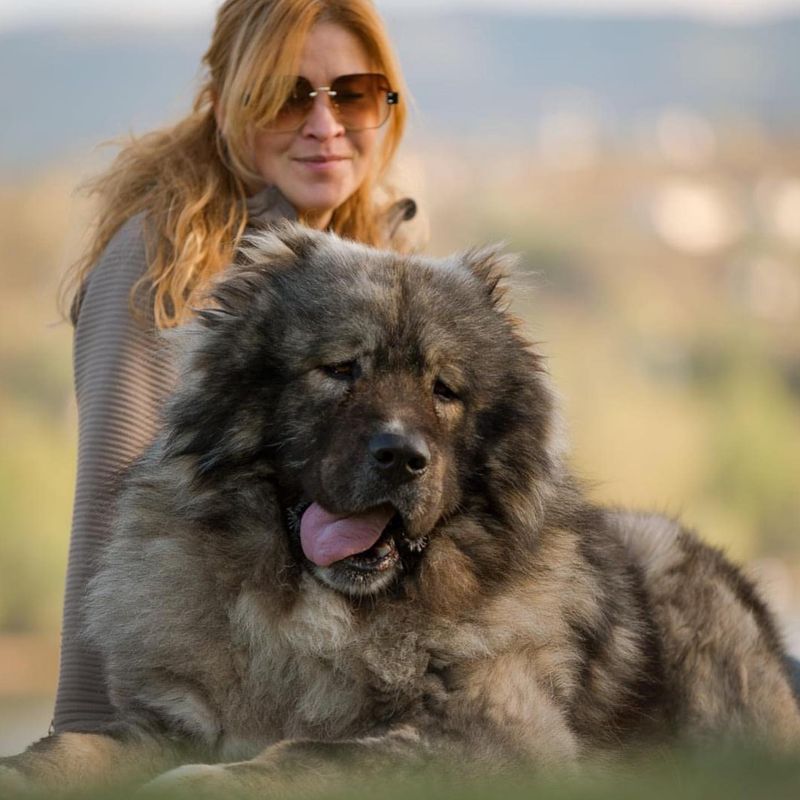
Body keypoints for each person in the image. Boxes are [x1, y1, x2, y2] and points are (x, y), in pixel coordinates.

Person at [53, 0, 419, 734]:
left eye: (351, 93)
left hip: (326, 695)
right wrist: (89, 731)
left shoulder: (377, 258)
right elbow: (112, 503)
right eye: (286, 98)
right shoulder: (163, 261)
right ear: (226, 110)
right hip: (204, 693)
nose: (324, 127)